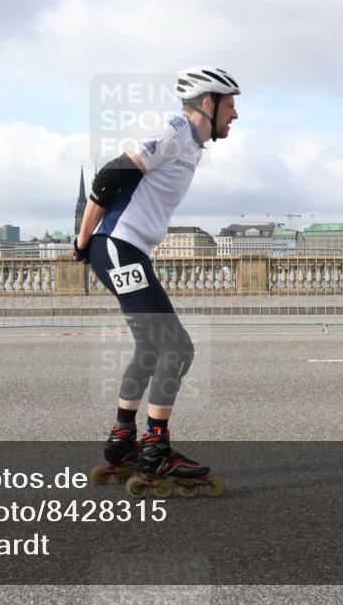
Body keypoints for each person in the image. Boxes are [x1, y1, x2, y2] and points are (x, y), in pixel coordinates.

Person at [74, 66, 240, 482]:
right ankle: (156, 449)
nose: (235, 114)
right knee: (179, 349)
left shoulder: (194, 145)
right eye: (231, 104)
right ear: (209, 103)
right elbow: (111, 175)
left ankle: (122, 440)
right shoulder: (174, 131)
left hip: (125, 249)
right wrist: (83, 239)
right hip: (119, 247)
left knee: (151, 347)